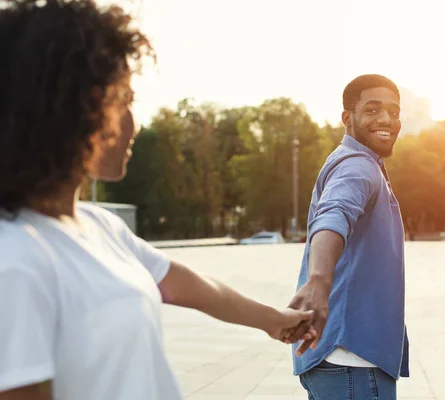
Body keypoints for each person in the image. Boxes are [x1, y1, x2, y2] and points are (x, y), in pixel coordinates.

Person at [0, 1, 316, 399]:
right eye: (124, 100)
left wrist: (275, 321)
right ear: (71, 108)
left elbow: (197, 289)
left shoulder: (99, 226)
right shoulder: (15, 260)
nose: (134, 123)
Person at [285, 74, 410, 399]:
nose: (387, 119)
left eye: (394, 112)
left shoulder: (355, 162)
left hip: (339, 362)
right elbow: (333, 216)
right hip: (351, 363)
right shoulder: (358, 167)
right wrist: (319, 282)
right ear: (347, 118)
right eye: (372, 110)